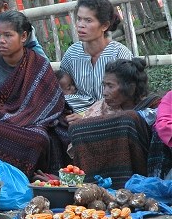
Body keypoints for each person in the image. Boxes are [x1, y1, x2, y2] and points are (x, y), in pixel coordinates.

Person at [0, 10, 70, 178]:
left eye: (8, 35)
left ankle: (24, 181)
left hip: (32, 125)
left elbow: (51, 105)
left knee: (39, 139)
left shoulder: (39, 64)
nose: (1, 40)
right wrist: (3, 115)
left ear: (23, 36)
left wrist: (21, 116)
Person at [69, 59, 167, 187]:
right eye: (103, 85)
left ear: (131, 88)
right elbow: (78, 133)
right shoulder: (101, 107)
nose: (104, 92)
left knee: (129, 118)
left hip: (144, 174)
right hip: (99, 180)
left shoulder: (154, 106)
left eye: (110, 86)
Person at [60, 0, 133, 116]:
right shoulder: (72, 53)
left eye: (88, 20)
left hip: (113, 114)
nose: (80, 25)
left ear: (104, 26)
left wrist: (86, 116)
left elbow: (127, 97)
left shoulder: (119, 54)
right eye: (79, 19)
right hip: (76, 114)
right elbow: (63, 88)